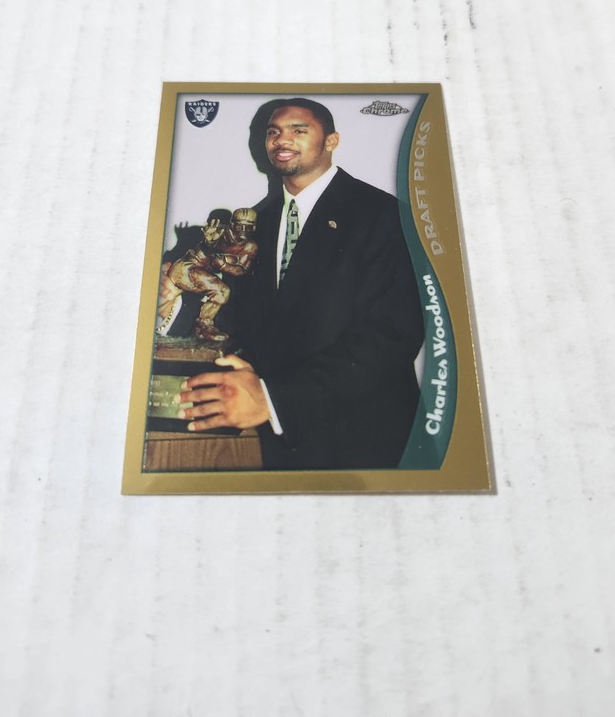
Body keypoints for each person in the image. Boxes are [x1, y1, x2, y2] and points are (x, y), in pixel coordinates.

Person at [176, 98, 424, 470]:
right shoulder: (256, 223)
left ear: (331, 141)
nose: (282, 140)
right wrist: (177, 293)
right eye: (273, 132)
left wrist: (275, 401)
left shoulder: (386, 216)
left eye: (298, 130)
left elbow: (392, 335)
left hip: (366, 443)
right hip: (276, 446)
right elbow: (238, 320)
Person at [158, 209, 258, 340]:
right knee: (222, 291)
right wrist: (210, 241)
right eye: (240, 226)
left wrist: (224, 265)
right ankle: (203, 326)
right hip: (186, 269)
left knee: (223, 292)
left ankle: (202, 326)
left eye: (248, 227)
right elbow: (209, 247)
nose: (243, 230)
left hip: (197, 278)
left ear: (254, 227)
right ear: (232, 225)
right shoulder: (220, 233)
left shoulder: (250, 247)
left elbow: (241, 269)